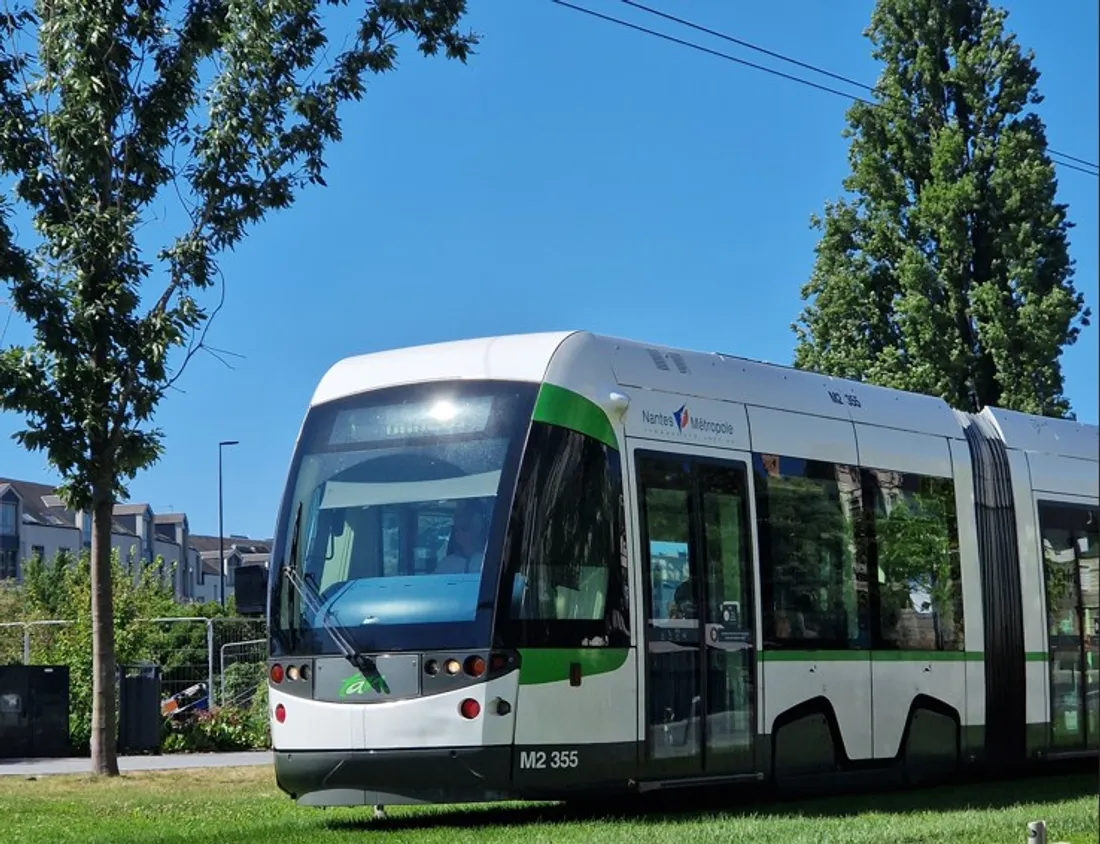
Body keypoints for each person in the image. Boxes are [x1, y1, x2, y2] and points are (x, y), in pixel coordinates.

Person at [435, 498, 487, 574]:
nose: (458, 533)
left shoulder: (489, 560)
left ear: (478, 528)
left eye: (464, 528)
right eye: (455, 529)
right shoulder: (447, 563)